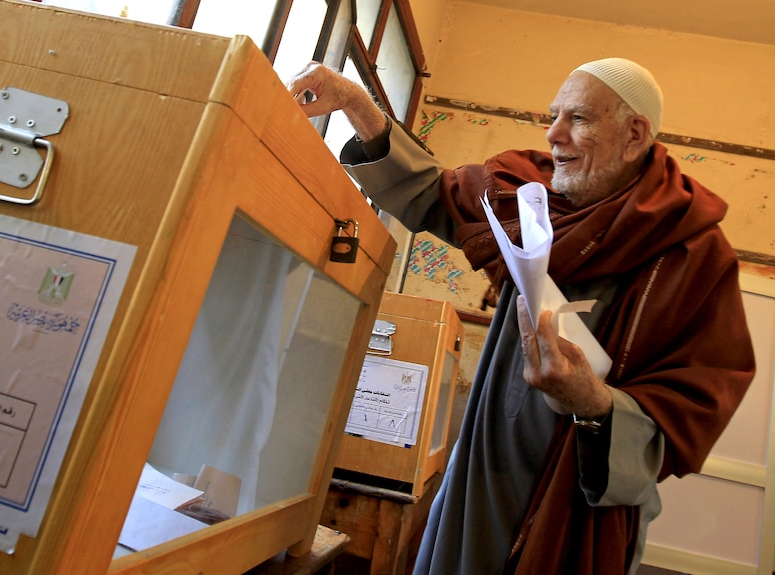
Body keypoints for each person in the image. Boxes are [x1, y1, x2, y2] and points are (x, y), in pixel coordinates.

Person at [287, 57, 756, 574]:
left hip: (573, 506)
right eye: (554, 115)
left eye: (577, 119)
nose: (554, 134)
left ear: (634, 134)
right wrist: (356, 101)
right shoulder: (527, 197)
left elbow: (691, 411)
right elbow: (428, 192)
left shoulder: (693, 257)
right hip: (477, 476)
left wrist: (592, 401)